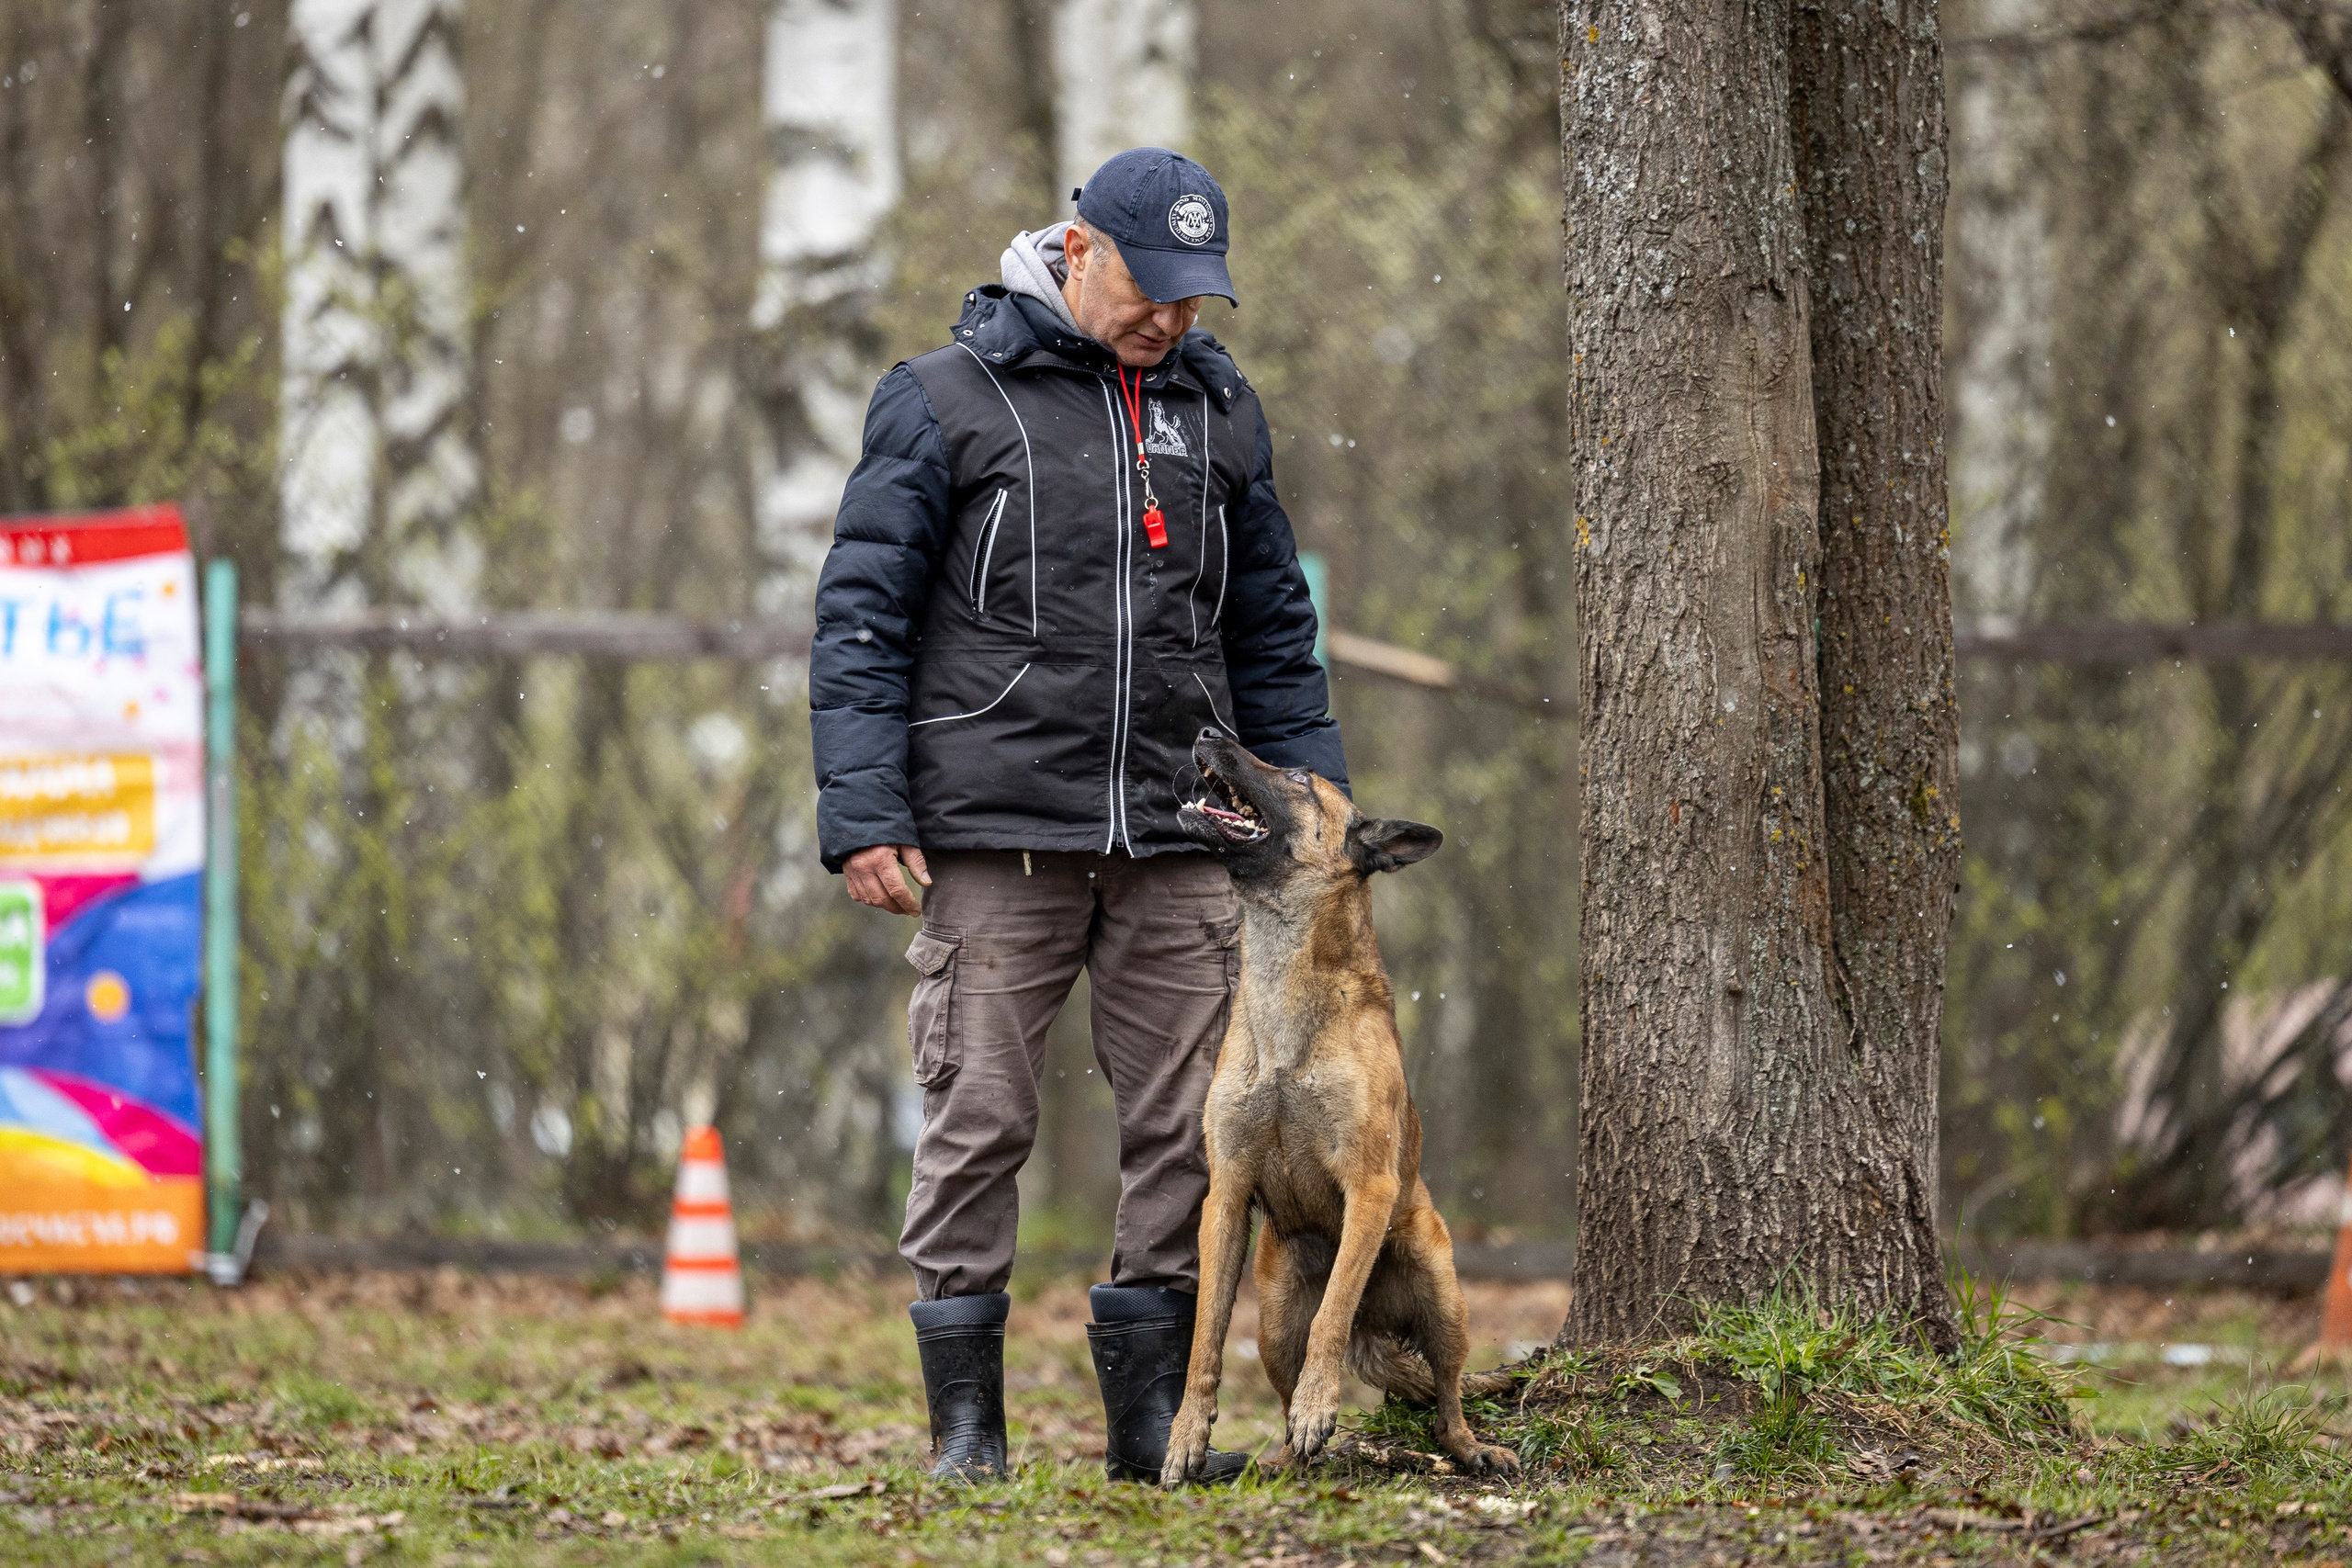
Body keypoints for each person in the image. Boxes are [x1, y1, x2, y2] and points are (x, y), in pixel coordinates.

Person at [809, 147, 1345, 1483]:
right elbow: (860, 620)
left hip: (1185, 834)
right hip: (994, 831)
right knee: (978, 1115)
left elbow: (1274, 632)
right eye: (1149, 288)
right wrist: (865, 807)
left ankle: (1152, 1427)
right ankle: (965, 1432)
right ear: (1075, 248)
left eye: (1193, 298)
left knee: (1188, 1129)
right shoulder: (942, 400)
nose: (1168, 319)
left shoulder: (1219, 414)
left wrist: (1321, 806)